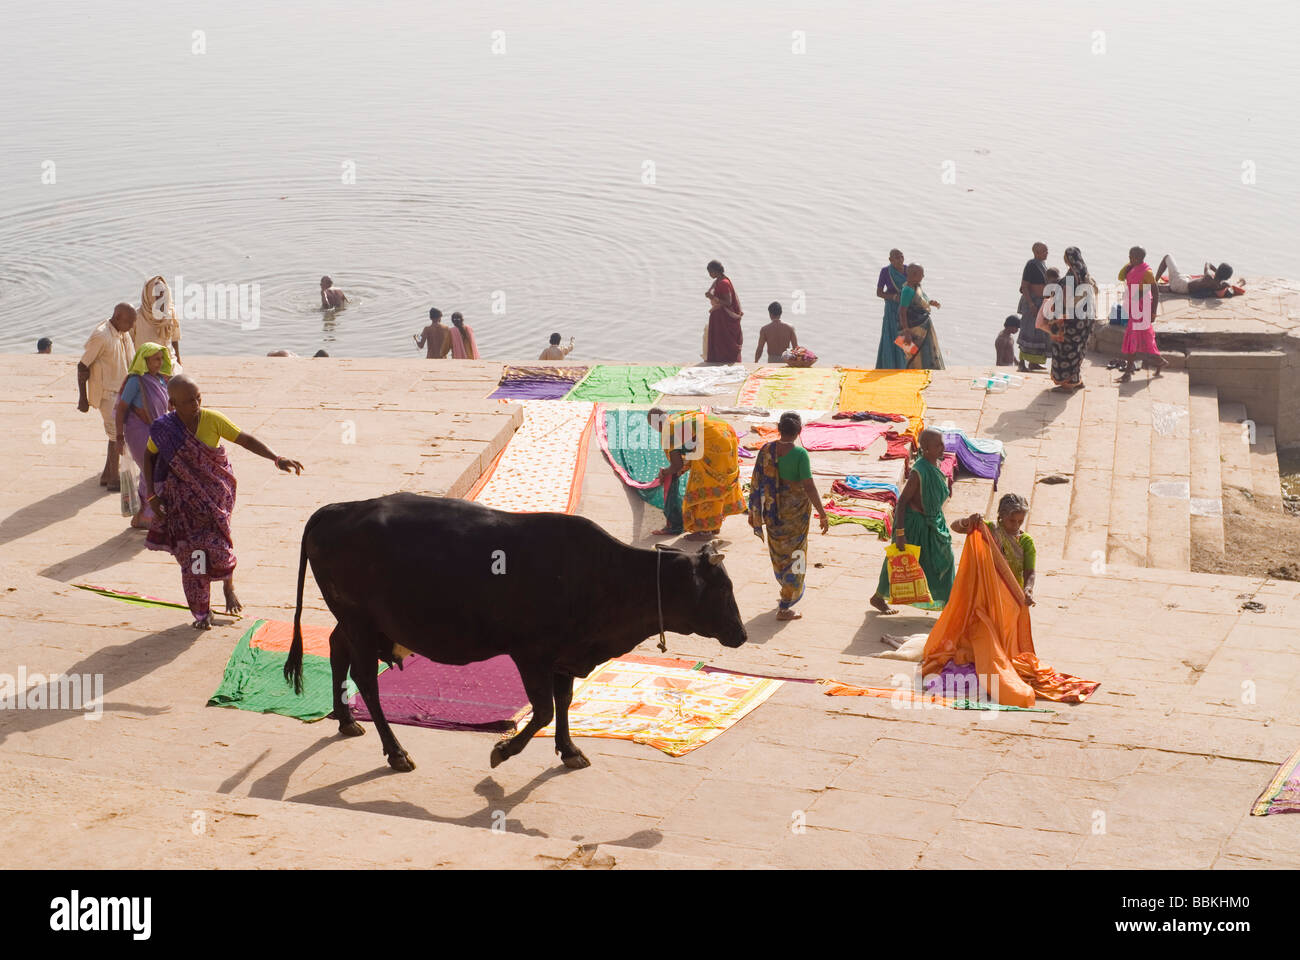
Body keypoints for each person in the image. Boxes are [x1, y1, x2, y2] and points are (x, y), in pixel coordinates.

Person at [143, 375, 303, 629]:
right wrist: (151, 495)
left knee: (220, 548)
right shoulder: (164, 429)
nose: (196, 404)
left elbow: (245, 439)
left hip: (215, 500)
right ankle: (202, 613)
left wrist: (276, 458)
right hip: (183, 506)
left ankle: (229, 586)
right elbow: (148, 457)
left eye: (198, 397)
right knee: (193, 557)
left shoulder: (213, 419)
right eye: (188, 401)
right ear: (173, 403)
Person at [748, 413, 830, 620]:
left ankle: (785, 589)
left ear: (778, 427)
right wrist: (823, 513)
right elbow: (809, 487)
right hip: (796, 517)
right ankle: (786, 604)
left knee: (781, 555)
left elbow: (757, 481)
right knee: (798, 556)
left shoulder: (767, 450)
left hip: (774, 515)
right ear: (799, 431)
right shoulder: (800, 454)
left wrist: (755, 512)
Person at [869, 428, 954, 614]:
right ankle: (878, 597)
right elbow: (902, 502)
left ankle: (948, 604)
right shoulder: (919, 471)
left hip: (933, 524)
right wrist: (900, 533)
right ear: (926, 448)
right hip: (913, 525)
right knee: (900, 563)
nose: (943, 447)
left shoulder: (936, 466)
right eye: (938, 444)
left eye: (942, 443)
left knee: (944, 561)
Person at [649, 407, 744, 540]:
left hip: (713, 444)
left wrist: (665, 472)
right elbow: (690, 451)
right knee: (719, 482)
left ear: (655, 424)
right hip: (728, 435)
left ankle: (704, 532)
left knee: (703, 487)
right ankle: (713, 526)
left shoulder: (668, 430)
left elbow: (677, 465)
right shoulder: (679, 416)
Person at [77, 303, 137, 492]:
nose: (132, 326)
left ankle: (106, 474)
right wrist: (83, 398)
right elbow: (82, 366)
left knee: (117, 433)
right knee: (116, 434)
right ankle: (113, 478)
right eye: (129, 322)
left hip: (121, 391)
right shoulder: (102, 335)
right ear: (118, 317)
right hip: (106, 393)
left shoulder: (123, 333)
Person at [115, 342, 173, 528]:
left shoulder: (160, 379)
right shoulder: (136, 381)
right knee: (153, 470)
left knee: (148, 470)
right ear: (144, 360)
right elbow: (121, 408)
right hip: (138, 431)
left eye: (160, 358)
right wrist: (119, 437)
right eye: (155, 359)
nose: (159, 362)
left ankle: (142, 514)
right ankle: (149, 514)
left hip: (157, 431)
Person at [950, 493, 1035, 606]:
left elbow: (1030, 571)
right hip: (985, 589)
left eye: (1020, 521)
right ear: (1001, 516)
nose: (1016, 525)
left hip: (1011, 592)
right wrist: (968, 520)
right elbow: (955, 526)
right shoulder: (989, 529)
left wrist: (1028, 588)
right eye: (1012, 520)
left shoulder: (1026, 541)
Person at [1118, 246, 1168, 382]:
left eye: (1131, 256)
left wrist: (1153, 312)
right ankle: (1160, 362)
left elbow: (1156, 292)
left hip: (1143, 310)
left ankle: (1128, 373)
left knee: (1136, 340)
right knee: (1141, 340)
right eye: (1129, 256)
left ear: (1139, 258)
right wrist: (1128, 266)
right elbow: (1120, 276)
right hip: (1134, 308)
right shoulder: (1131, 268)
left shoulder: (1147, 272)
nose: (1129, 258)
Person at [1051, 246, 1095, 390]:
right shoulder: (1084, 273)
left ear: (1067, 260)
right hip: (1085, 320)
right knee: (1078, 349)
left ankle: (1067, 383)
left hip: (1071, 321)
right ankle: (1076, 379)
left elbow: (1066, 301)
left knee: (1066, 351)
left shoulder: (1070, 278)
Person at [897, 264, 945, 369]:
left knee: (925, 355)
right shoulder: (907, 290)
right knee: (913, 357)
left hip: (922, 326)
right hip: (912, 329)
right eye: (921, 274)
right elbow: (902, 311)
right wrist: (906, 332)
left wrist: (930, 302)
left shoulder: (916, 287)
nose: (923, 276)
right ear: (913, 275)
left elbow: (919, 301)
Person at [1017, 242, 1051, 371]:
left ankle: (1033, 363)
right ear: (1036, 253)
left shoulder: (1042, 265)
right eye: (1044, 251)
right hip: (1032, 303)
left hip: (1040, 303)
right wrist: (1031, 304)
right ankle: (1021, 363)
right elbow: (1024, 286)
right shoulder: (1031, 265)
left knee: (1038, 334)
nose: (1047, 253)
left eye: (1047, 251)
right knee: (1027, 332)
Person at [875, 249, 910, 368]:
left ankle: (906, 364)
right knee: (892, 335)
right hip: (892, 310)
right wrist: (893, 297)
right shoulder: (886, 272)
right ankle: (890, 364)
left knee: (905, 335)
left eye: (902, 257)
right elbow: (879, 293)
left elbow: (916, 289)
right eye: (897, 258)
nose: (900, 260)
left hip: (906, 309)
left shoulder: (909, 270)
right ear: (890, 260)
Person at [136, 275, 182, 364]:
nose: (161, 296)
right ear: (149, 294)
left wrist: (178, 359)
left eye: (163, 292)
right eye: (156, 293)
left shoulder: (170, 313)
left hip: (168, 364)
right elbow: (128, 345)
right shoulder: (136, 317)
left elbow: (174, 339)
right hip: (144, 366)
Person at [704, 260, 743, 363]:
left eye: (710, 272)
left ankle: (724, 360)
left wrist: (712, 297)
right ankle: (718, 360)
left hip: (724, 318)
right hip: (719, 318)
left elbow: (728, 302)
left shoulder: (724, 283)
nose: (709, 274)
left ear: (716, 271)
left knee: (724, 342)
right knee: (719, 342)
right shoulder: (719, 281)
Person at [1154, 256, 1235, 297]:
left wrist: (1215, 269)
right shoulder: (1221, 285)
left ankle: (1154, 281)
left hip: (1181, 284)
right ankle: (1157, 287)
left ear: (1218, 271)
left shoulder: (1209, 277)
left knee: (1167, 257)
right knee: (1185, 277)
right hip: (1184, 287)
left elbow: (1207, 264)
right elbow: (1230, 287)